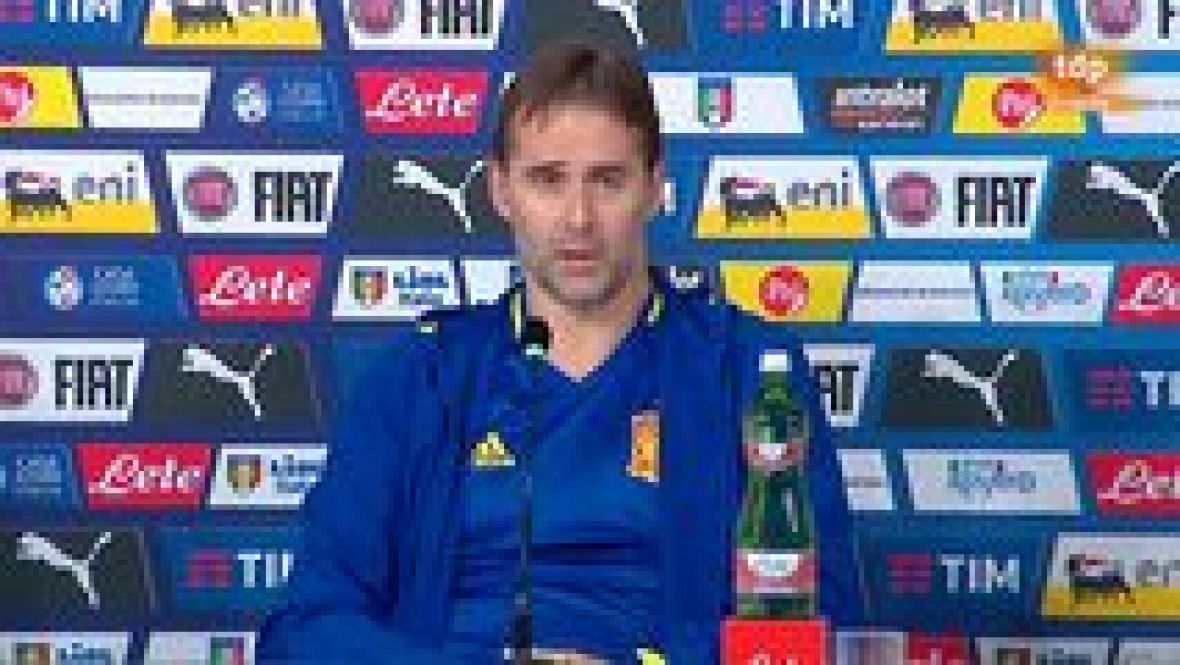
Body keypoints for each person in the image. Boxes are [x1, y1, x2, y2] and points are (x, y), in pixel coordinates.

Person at [257, 39, 857, 664]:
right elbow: (306, 631)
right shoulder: (421, 375)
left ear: (655, 187)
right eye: (547, 180)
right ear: (501, 190)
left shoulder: (749, 370)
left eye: (607, 180)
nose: (578, 218)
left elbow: (821, 625)